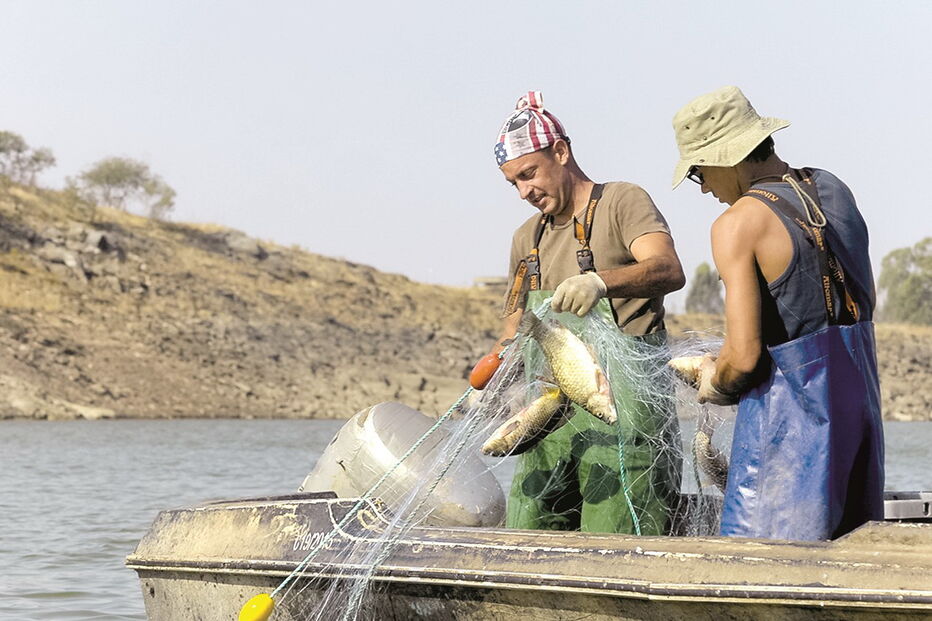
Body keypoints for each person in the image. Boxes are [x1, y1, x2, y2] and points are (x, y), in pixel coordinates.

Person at [671, 85, 884, 540]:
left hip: (790, 426)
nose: (704, 186)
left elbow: (745, 357)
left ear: (725, 157)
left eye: (699, 172)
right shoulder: (833, 188)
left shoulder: (737, 224)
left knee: (765, 565)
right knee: (850, 555)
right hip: (860, 411)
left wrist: (714, 379)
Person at [481, 91, 686, 534]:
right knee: (527, 531)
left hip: (625, 426)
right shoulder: (526, 239)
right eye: (513, 183)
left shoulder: (621, 202)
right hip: (549, 429)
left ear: (561, 151)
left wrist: (600, 281)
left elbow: (668, 268)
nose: (523, 192)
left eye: (529, 174)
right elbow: (515, 330)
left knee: (620, 538)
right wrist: (491, 384)